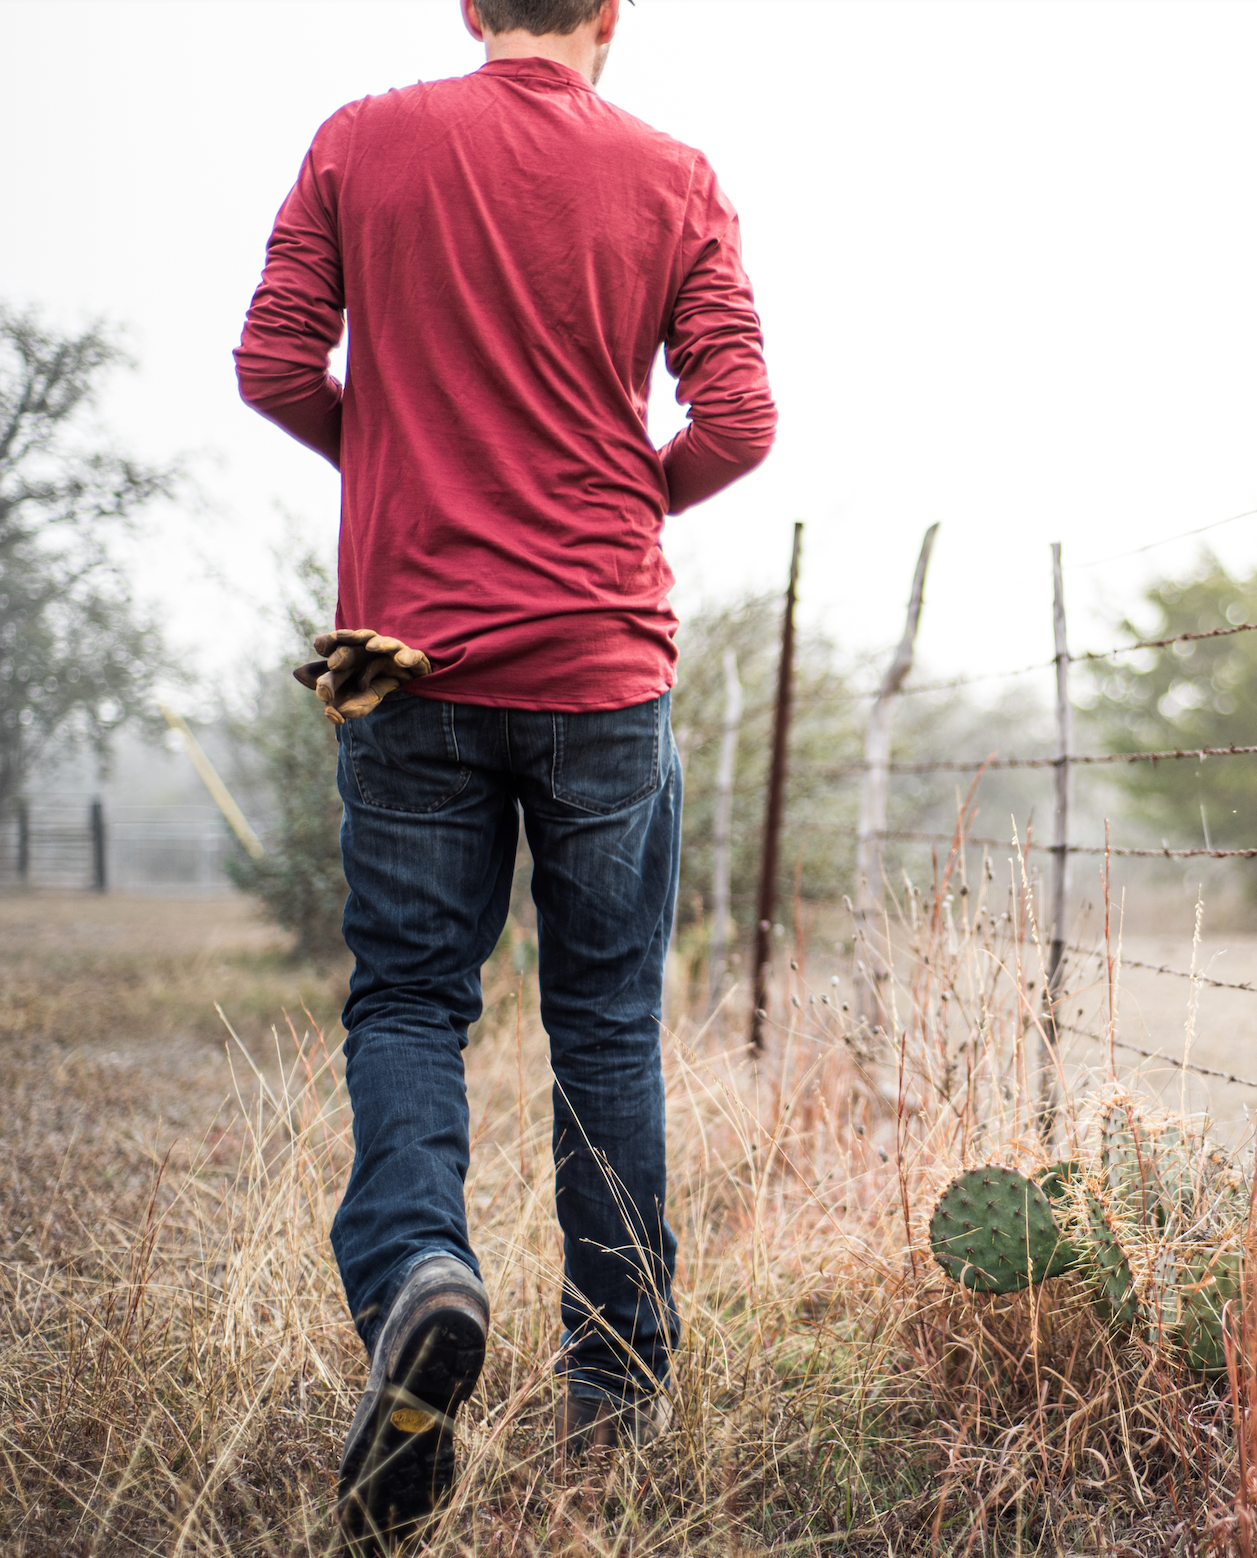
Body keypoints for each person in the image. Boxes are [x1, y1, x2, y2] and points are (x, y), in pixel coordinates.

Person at [234, 0, 776, 1545]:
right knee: (603, 1023)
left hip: (404, 654)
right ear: (611, 12)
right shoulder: (672, 174)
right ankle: (612, 1392)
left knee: (412, 998)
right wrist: (616, 500)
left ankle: (419, 1272)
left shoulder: (361, 141)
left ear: (473, 6)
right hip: (603, 660)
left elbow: (272, 364)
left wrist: (401, 467)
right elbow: (739, 419)